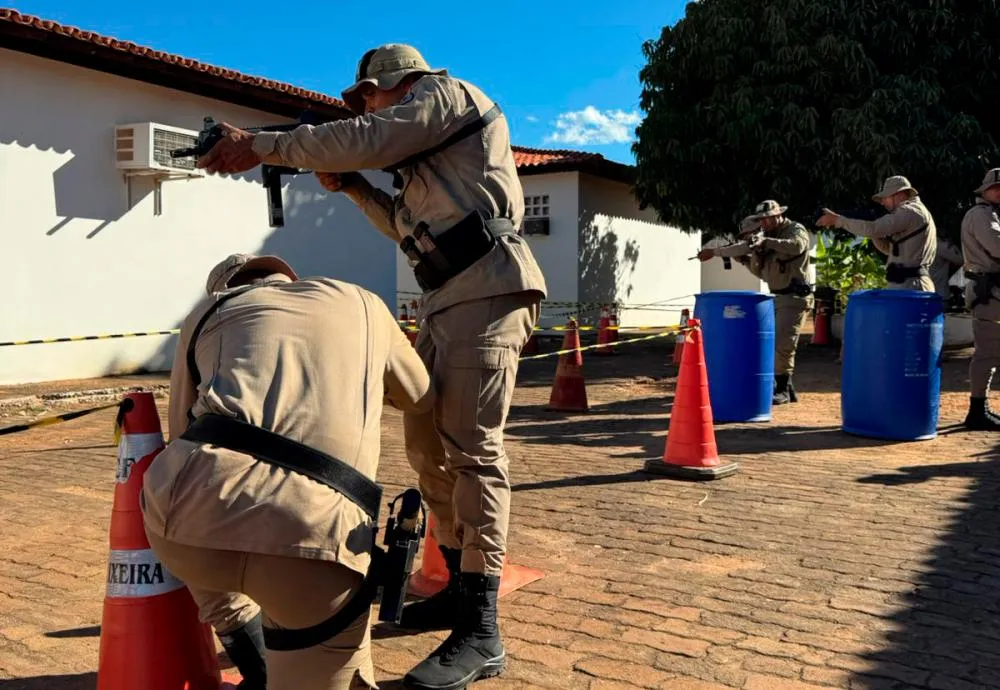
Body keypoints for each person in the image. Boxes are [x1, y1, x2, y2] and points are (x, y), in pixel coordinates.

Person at [192, 44, 547, 690]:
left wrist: (264, 145)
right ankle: (457, 586)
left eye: (368, 98)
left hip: (489, 288)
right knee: (426, 446)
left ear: (395, 83)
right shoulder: (424, 157)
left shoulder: (442, 97)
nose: (366, 109)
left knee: (472, 451)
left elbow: (368, 137)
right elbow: (405, 229)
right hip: (445, 296)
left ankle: (482, 629)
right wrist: (355, 188)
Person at [140, 253, 433, 690]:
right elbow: (420, 396)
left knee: (213, 560)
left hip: (182, 520)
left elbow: (181, 431)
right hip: (313, 537)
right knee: (326, 648)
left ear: (226, 291)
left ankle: (257, 665)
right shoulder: (363, 302)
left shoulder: (207, 313)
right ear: (290, 279)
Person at [697, 200, 814, 404]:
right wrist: (717, 253)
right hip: (775, 297)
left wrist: (765, 242)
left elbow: (797, 246)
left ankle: (782, 389)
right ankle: (786, 387)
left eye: (769, 218)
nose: (765, 222)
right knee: (775, 343)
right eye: (762, 219)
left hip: (794, 297)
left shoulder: (795, 229)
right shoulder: (764, 237)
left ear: (779, 215)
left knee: (783, 344)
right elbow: (757, 265)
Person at [816, 175, 937, 292]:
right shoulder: (914, 212)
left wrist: (838, 220)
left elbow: (873, 228)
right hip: (909, 284)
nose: (882, 203)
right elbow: (890, 250)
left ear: (899, 194)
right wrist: (873, 233)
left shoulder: (909, 211)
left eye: (885, 197)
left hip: (911, 285)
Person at [960, 168, 1000, 430]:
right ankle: (977, 411)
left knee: (990, 351)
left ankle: (979, 409)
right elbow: (997, 247)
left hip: (992, 290)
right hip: (988, 291)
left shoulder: (990, 214)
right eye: (996, 188)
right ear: (985, 191)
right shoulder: (981, 215)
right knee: (987, 352)